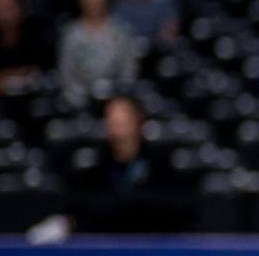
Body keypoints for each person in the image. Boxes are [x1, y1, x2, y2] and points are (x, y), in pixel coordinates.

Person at [69, 96, 187, 233]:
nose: (118, 132)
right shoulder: (94, 169)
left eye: (123, 123)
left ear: (138, 122)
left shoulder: (161, 166)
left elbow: (173, 214)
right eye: (112, 123)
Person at [57, 0, 139, 101]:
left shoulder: (121, 30)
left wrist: (117, 94)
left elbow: (129, 71)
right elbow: (66, 74)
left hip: (116, 99)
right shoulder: (71, 34)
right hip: (80, 101)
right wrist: (81, 98)